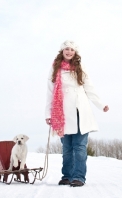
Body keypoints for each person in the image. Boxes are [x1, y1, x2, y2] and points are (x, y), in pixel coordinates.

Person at [45, 40, 109, 187]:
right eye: (66, 49)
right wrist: (48, 114)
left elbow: (90, 88)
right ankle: (66, 176)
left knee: (79, 147)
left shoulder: (80, 67)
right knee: (67, 148)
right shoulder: (55, 68)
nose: (69, 51)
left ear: (75, 52)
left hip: (81, 111)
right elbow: (50, 92)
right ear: (62, 51)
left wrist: (101, 105)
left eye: (72, 49)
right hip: (63, 113)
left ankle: (79, 177)